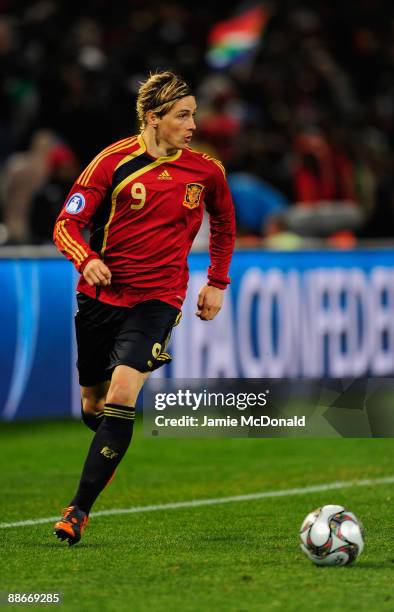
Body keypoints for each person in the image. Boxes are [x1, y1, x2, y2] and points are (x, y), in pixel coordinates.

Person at [52, 71, 236, 545]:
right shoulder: (110, 163)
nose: (193, 124)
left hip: (158, 299)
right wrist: (86, 258)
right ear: (153, 119)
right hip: (100, 299)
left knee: (122, 391)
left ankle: (77, 510)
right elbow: (66, 224)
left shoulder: (206, 171)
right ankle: (111, 440)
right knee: (95, 404)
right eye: (182, 116)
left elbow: (224, 222)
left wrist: (217, 282)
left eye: (193, 114)